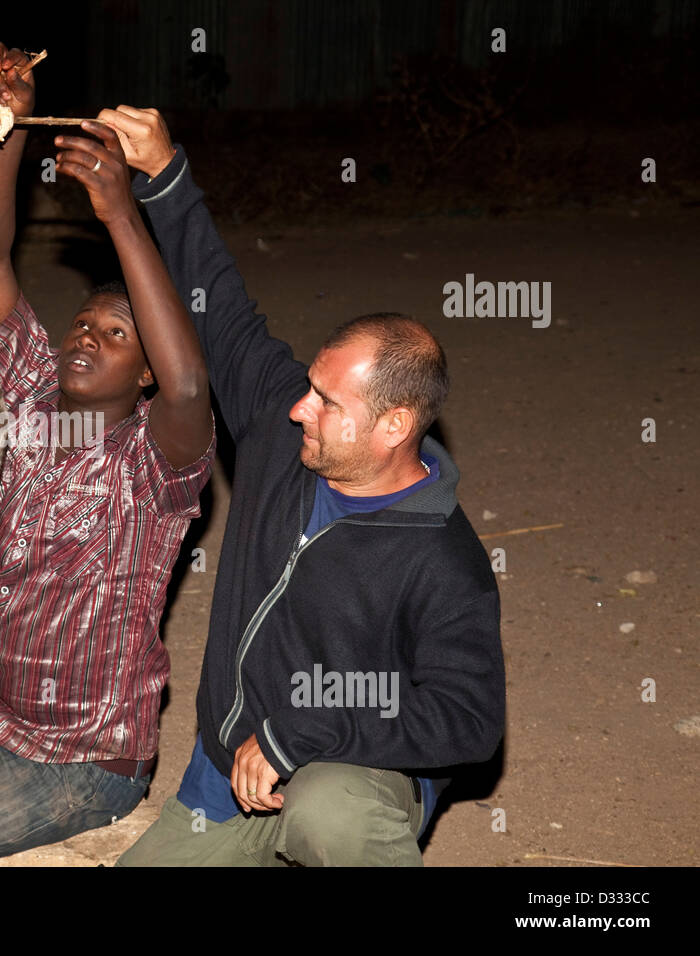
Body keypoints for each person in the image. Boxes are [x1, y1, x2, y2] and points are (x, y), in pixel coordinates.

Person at [96, 106, 506, 866]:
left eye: (326, 401)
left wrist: (301, 730)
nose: (297, 407)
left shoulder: (442, 559)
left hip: (346, 773)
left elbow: (468, 719)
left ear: (393, 427)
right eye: (310, 385)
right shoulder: (283, 441)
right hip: (227, 777)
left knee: (332, 812)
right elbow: (224, 313)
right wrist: (163, 174)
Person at [0, 46, 215, 866]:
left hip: (78, 758)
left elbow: (187, 388)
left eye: (116, 334)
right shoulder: (31, 396)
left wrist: (120, 213)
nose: (86, 334)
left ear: (144, 371)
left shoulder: (154, 461)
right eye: (83, 322)